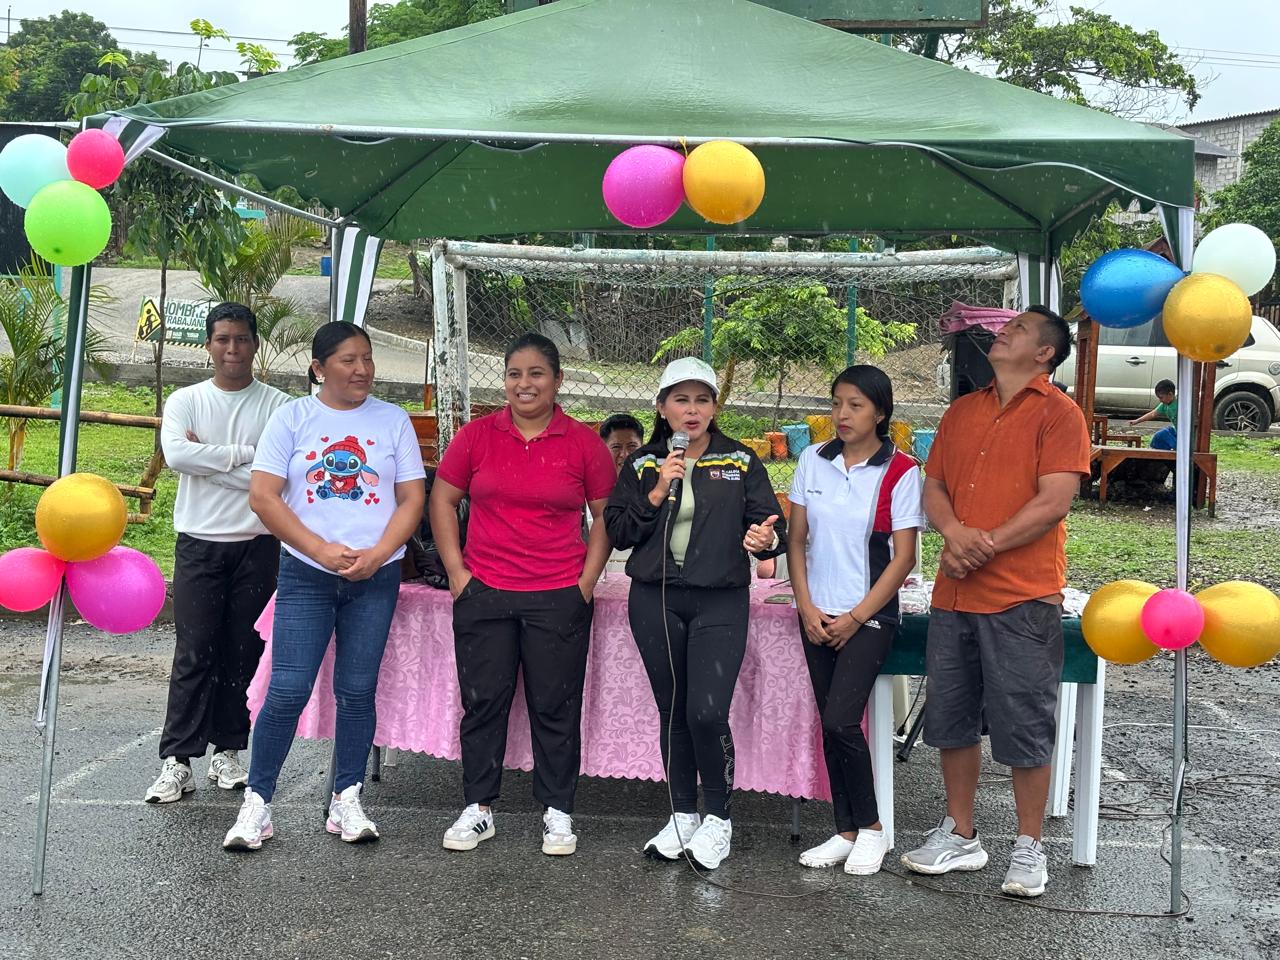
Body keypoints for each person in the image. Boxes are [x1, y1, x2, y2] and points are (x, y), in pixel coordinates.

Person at [901, 306, 1090, 898]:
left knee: (1025, 722)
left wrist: (981, 545)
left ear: (1045, 354)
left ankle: (1030, 846)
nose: (1002, 333)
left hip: (1022, 596)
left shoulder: (1060, 415)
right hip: (955, 592)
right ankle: (961, 834)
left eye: (1018, 330)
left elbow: (1054, 501)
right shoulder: (962, 410)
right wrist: (954, 534)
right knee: (951, 718)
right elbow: (934, 486)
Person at [222, 321, 426, 851]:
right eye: (348, 360)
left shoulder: (393, 420)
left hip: (375, 578)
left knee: (357, 691)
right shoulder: (292, 418)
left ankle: (347, 798)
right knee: (288, 688)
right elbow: (264, 497)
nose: (362, 370)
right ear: (319, 368)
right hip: (307, 576)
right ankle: (258, 803)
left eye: (367, 358)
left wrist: (378, 555)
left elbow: (412, 499)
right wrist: (319, 551)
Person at [432, 332, 616, 857]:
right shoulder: (476, 436)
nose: (524, 383)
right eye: (514, 374)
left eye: (536, 373)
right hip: (485, 592)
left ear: (557, 381)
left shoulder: (583, 443)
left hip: (558, 595)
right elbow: (442, 500)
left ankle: (557, 811)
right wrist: (457, 572)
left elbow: (605, 515)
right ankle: (478, 808)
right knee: (483, 704)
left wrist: (586, 581)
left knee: (554, 707)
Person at [604, 356, 786, 870]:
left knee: (706, 711)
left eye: (702, 400)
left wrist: (765, 539)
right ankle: (682, 814)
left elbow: (770, 526)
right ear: (661, 407)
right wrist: (657, 490)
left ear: (714, 408)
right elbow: (619, 531)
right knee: (673, 709)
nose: (692, 409)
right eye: (681, 400)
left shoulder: (741, 460)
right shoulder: (644, 463)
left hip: (720, 599)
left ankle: (719, 820)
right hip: (655, 598)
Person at [144, 302, 289, 805]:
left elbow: (279, 477)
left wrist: (209, 462)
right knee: (194, 651)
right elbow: (178, 455)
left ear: (255, 344)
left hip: (257, 544)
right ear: (208, 345)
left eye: (242, 339)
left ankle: (228, 752)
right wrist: (246, 457)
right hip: (200, 544)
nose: (232, 349)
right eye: (223, 339)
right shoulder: (186, 401)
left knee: (243, 651)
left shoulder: (277, 406)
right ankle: (177, 760)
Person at [788, 366, 924, 876]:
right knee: (830, 724)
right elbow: (796, 540)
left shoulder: (901, 471)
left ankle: (871, 828)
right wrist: (806, 606)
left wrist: (855, 617)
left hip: (868, 617)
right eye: (836, 403)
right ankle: (845, 832)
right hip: (816, 614)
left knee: (840, 721)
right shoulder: (812, 459)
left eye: (856, 405)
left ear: (880, 413)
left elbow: (903, 558)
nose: (842, 415)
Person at [1128, 378, 1177, 450]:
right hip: (1175, 430)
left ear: (1170, 394)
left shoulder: (1180, 403)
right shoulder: (1164, 405)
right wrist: (1137, 421)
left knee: (1174, 443)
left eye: (1161, 397)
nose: (1160, 400)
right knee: (1158, 436)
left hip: (1184, 434)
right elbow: (1153, 414)